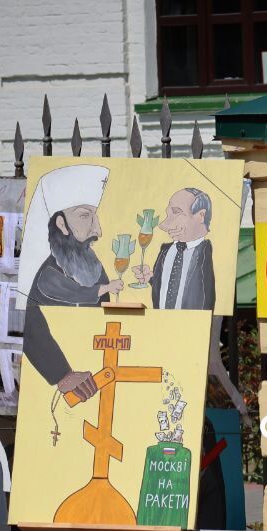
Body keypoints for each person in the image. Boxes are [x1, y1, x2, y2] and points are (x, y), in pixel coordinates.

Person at [19, 163, 124, 403]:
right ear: (61, 224)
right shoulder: (46, 272)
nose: (97, 229)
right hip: (57, 391)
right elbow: (28, 320)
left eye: (94, 216)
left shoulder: (89, 263)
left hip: (101, 376)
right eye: (85, 216)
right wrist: (61, 374)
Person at [131, 187, 216, 311]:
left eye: (177, 212)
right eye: (168, 213)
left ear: (201, 215)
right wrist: (151, 278)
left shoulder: (207, 253)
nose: (166, 225)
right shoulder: (165, 251)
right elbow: (168, 287)